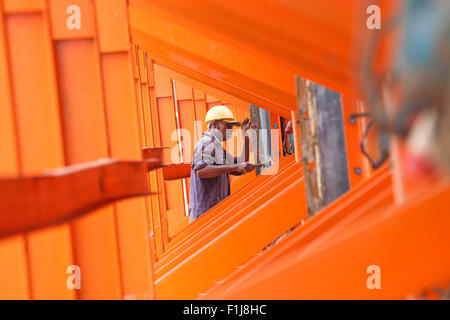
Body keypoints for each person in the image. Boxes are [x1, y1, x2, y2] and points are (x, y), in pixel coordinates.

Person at [188, 105, 255, 223]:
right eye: (227, 126)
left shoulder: (218, 147)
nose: (230, 130)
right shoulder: (206, 143)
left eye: (232, 127)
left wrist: (246, 137)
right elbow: (201, 171)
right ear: (214, 125)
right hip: (205, 218)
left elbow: (240, 163)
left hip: (214, 215)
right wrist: (237, 166)